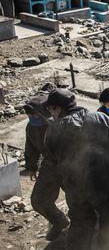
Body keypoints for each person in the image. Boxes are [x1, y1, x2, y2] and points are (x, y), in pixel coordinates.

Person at [44, 89, 109, 250]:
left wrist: (56, 186)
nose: (50, 113)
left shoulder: (53, 130)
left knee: (79, 218)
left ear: (58, 108)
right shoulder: (100, 118)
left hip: (73, 185)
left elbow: (50, 161)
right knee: (108, 216)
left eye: (50, 109)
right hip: (103, 181)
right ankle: (108, 249)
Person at [24, 88, 69, 242]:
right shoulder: (31, 127)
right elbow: (30, 146)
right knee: (38, 200)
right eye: (29, 115)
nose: (32, 118)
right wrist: (31, 166)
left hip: (69, 165)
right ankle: (59, 221)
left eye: (34, 114)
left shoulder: (61, 124)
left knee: (78, 199)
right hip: (49, 166)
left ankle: (87, 227)